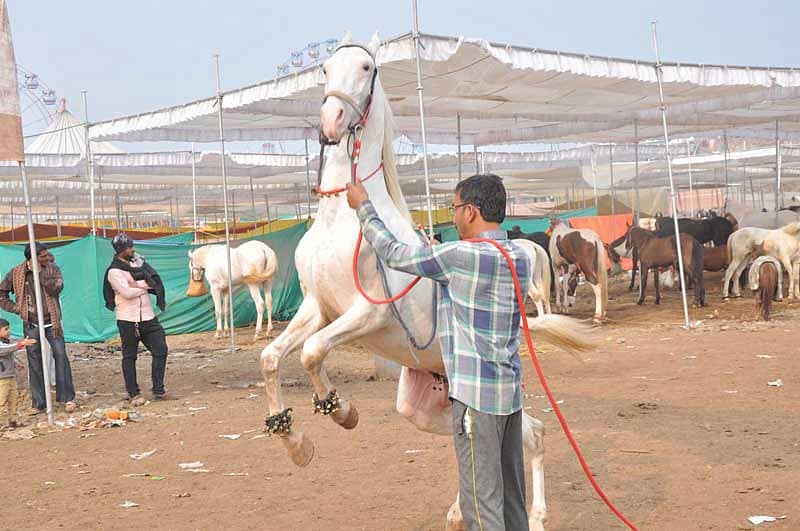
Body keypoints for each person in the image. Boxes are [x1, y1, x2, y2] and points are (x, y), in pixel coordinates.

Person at [346, 173, 530, 530]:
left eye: (456, 208)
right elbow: (469, 277)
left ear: (472, 211)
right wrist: (437, 253)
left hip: (476, 403)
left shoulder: (460, 256)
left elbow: (394, 254)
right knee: (511, 501)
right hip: (509, 398)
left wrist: (363, 207)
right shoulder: (520, 256)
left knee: (481, 504)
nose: (455, 215)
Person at [0, 242, 77, 414]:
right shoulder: (17, 273)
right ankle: (39, 403)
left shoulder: (52, 269)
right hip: (31, 322)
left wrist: (42, 275)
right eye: (42, 256)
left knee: (60, 356)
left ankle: (68, 398)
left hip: (52, 321)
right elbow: (2, 293)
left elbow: (57, 288)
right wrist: (16, 308)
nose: (46, 258)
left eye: (46, 255)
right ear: (31, 258)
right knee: (34, 360)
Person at [102, 233, 169, 406]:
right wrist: (144, 286)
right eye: (130, 247)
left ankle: (158, 389)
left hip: (148, 317)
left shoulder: (138, 264)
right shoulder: (113, 272)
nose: (133, 249)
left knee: (161, 349)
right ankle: (134, 393)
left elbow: (153, 280)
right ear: (121, 250)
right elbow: (127, 293)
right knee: (130, 357)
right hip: (127, 320)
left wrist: (138, 285)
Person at [0, 318, 37, 428]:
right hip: (2, 378)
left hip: (10, 376)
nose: (9, 331)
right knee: (1, 400)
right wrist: (21, 344)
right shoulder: (3, 345)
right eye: (6, 329)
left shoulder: (6, 342)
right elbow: (5, 350)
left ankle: (13, 421)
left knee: (13, 399)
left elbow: (8, 355)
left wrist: (15, 364)